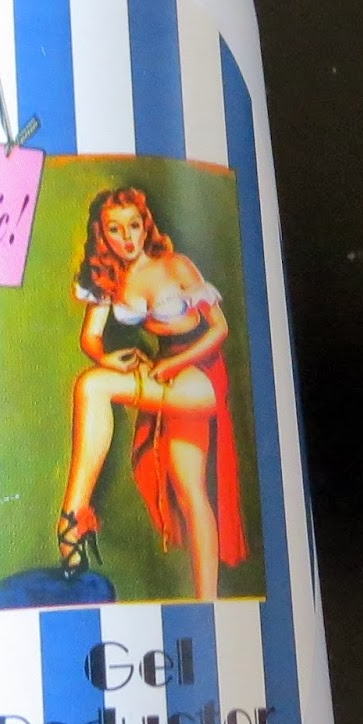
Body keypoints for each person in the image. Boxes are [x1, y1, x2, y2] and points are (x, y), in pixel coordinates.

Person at [57, 186, 248, 600]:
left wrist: (173, 365)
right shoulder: (109, 278)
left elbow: (219, 329)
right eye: (115, 229)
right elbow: (91, 338)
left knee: (92, 386)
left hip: (200, 370)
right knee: (189, 488)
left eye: (133, 225)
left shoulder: (176, 266)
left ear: (146, 227)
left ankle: (70, 520)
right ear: (103, 234)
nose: (127, 237)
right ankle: (207, 599)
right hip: (167, 369)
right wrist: (108, 358)